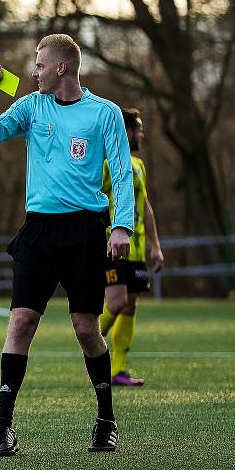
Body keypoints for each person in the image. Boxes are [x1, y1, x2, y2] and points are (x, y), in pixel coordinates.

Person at [0, 34, 135, 455]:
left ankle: (106, 420)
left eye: (40, 65)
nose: (34, 71)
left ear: (61, 67)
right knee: (21, 322)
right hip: (39, 233)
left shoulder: (105, 113)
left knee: (85, 329)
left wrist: (122, 227)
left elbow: (121, 173)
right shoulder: (31, 105)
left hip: (85, 232)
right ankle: (4, 424)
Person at [99, 108, 164, 386]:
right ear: (125, 131)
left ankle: (117, 370)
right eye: (137, 128)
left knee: (130, 307)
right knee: (116, 302)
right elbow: (92, 196)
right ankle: (88, 337)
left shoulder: (138, 165)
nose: (141, 133)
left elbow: (145, 207)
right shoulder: (104, 163)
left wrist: (155, 245)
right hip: (112, 245)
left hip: (135, 250)